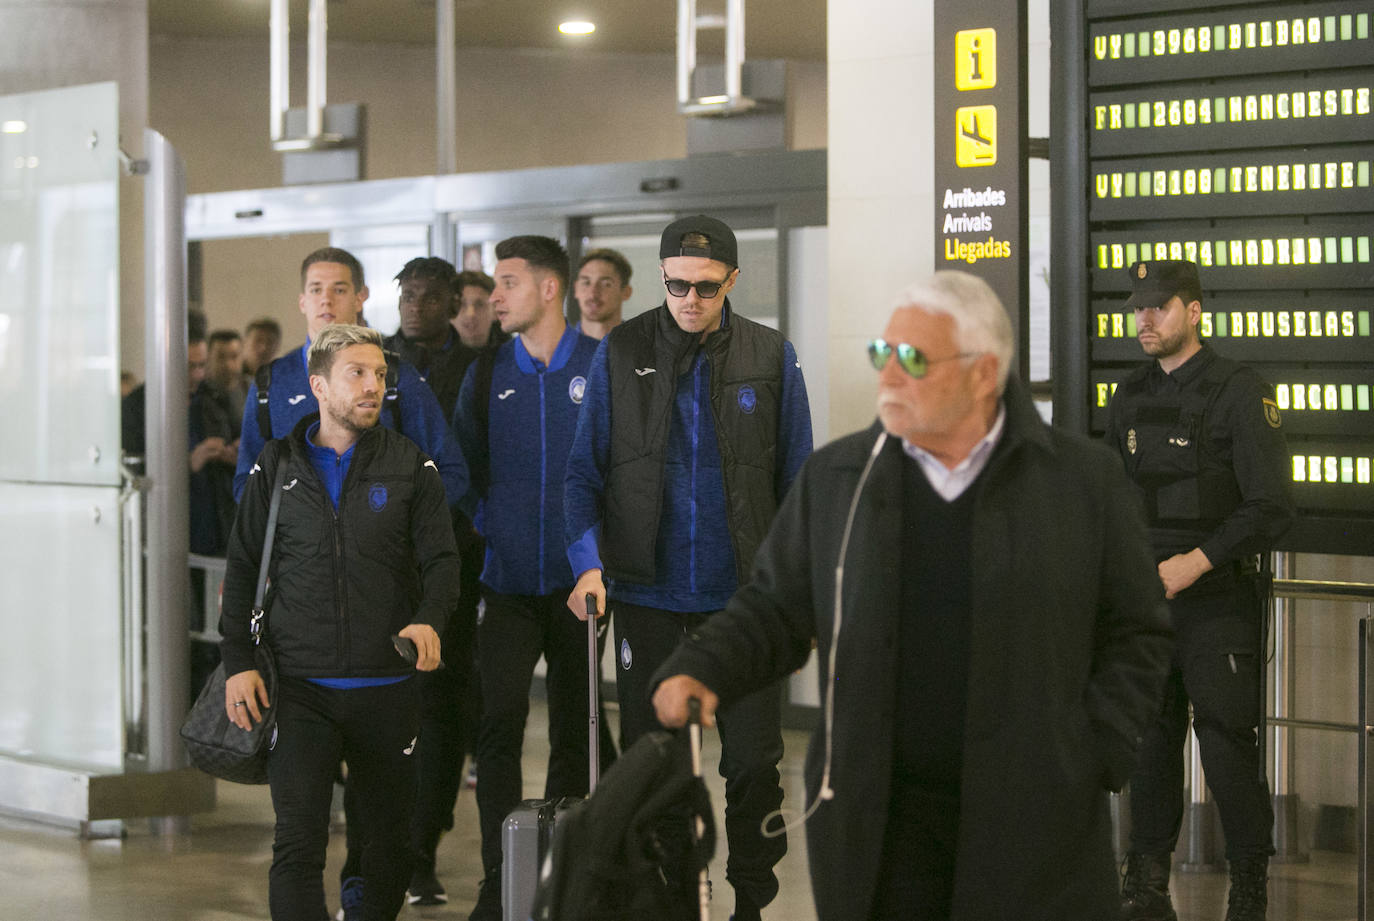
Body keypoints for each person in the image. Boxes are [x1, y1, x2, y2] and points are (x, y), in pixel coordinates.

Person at [651, 270, 1174, 921]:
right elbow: (774, 607)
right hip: (880, 822)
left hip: (1035, 822)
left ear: (984, 373)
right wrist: (704, 666)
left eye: (914, 358)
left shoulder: (1081, 481)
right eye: (882, 353)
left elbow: (1138, 630)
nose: (889, 376)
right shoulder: (839, 477)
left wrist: (1095, 751)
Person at [564, 214, 813, 921]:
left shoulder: (770, 354)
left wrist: (797, 584)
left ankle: (752, 901)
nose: (690, 299)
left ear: (733, 280)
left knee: (754, 762)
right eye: (677, 284)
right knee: (658, 760)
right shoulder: (622, 350)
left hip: (745, 601)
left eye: (706, 286)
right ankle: (671, 898)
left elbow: (799, 479)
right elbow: (583, 473)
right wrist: (588, 565)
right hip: (648, 594)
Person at [231, 246, 469, 919]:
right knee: (298, 839)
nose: (372, 385)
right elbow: (246, 550)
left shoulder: (406, 451)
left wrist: (418, 600)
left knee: (382, 839)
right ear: (319, 384)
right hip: (298, 676)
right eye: (357, 374)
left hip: (383, 673)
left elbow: (442, 541)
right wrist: (237, 660)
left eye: (378, 373)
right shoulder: (274, 431)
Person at [1107, 260, 1294, 921]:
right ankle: (1146, 885)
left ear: (1193, 310)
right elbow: (1114, 501)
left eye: (1159, 307)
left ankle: (1248, 888)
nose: (1145, 320)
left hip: (1216, 600)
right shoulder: (1127, 397)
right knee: (1150, 745)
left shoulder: (1238, 391)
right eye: (1138, 309)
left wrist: (1197, 560)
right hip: (1148, 604)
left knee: (1224, 742)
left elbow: (1270, 505)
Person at [453, 236, 608, 921]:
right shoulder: (487, 374)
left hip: (581, 591)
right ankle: (500, 872)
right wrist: (494, 520)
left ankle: (562, 869)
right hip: (508, 584)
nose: (496, 295)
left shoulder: (602, 367)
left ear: (549, 289)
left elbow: (623, 472)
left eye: (508, 282)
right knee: (498, 723)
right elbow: (462, 466)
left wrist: (597, 558)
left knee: (579, 729)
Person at [384, 256, 470, 421]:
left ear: (454, 306)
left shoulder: (475, 365)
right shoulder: (375, 358)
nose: (416, 308)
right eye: (409, 298)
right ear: (399, 303)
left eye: (431, 300)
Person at [572, 247, 633, 339]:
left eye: (606, 284)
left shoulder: (643, 349)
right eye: (586, 283)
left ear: (626, 292)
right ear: (576, 289)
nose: (593, 293)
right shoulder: (555, 349)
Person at [452, 269, 506, 350]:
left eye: (479, 304)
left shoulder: (515, 357)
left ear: (495, 312)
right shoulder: (429, 358)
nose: (470, 314)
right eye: (461, 304)